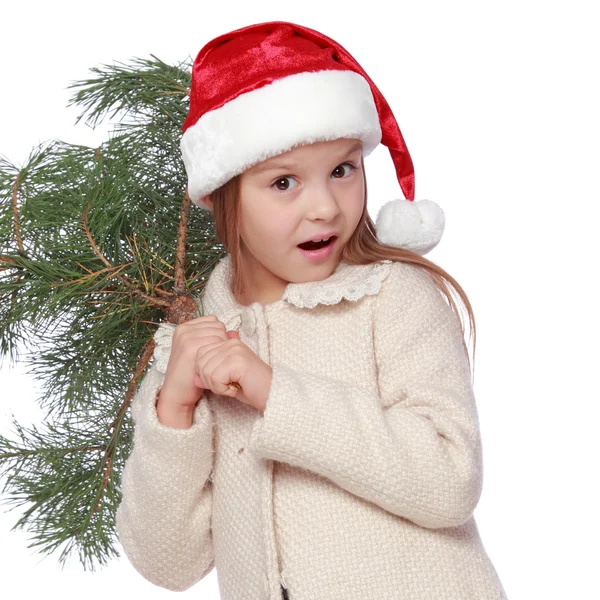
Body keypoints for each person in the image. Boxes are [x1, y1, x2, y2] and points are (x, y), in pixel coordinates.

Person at [115, 20, 509, 600]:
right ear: (227, 195)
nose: (325, 206)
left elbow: (449, 478)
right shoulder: (199, 344)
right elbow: (170, 564)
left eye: (343, 170)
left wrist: (272, 390)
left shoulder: (391, 298)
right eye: (283, 183)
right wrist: (173, 409)